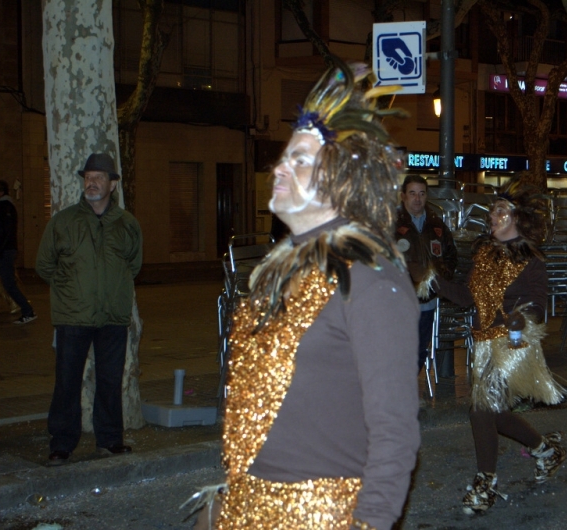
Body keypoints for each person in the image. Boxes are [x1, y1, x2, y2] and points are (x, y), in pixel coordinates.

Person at [187, 58, 420, 529]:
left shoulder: (371, 278)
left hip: (321, 516)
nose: (279, 168)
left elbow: (395, 430)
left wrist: (370, 523)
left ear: (338, 178)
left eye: (299, 159)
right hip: (247, 507)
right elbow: (261, 401)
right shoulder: (279, 272)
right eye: (283, 155)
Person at [432, 185, 566, 515]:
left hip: (515, 343)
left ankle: (486, 484)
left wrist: (523, 316)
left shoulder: (531, 261)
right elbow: (467, 297)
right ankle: (546, 451)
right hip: (484, 344)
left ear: (517, 219)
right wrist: (429, 281)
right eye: (492, 211)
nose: (492, 216)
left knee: (480, 408)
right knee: (496, 415)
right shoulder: (484, 256)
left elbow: (538, 303)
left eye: (499, 211)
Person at [36, 153, 142, 466]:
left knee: (110, 381)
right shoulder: (64, 222)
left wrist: (111, 291)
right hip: (72, 317)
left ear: (112, 185)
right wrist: (70, 291)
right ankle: (62, 444)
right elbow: (44, 265)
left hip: (112, 317)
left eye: (98, 178)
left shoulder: (127, 224)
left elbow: (133, 265)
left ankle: (110, 440)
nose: (91, 182)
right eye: (87, 177)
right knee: (67, 381)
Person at [395, 174, 457, 373]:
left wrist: (437, 280)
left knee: (419, 349)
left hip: (427, 301)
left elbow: (450, 256)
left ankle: (409, 392)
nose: (417, 199)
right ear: (403, 196)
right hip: (399, 301)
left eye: (421, 193)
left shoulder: (437, 226)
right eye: (412, 193)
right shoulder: (391, 225)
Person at [0, 179, 36, 324]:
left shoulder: (4, 207)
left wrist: (0, 249)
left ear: (1, 192)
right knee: (7, 283)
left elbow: (5, 231)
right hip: (4, 250)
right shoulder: (4, 206)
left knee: (8, 283)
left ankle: (28, 311)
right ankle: (27, 310)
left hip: (5, 251)